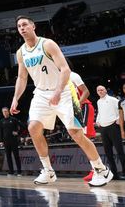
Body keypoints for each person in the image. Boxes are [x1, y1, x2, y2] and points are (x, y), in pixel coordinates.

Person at [9, 15, 112, 187]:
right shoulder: (21, 52)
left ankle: (102, 169)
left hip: (65, 91)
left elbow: (65, 69)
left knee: (76, 133)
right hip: (41, 94)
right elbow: (21, 77)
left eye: (25, 24)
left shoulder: (47, 44)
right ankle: (48, 171)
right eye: (19, 26)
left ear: (33, 26)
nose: (22, 28)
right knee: (33, 127)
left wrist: (57, 91)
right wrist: (15, 98)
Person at [95, 85, 125, 180]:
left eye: (102, 89)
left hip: (113, 127)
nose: (100, 91)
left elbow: (121, 110)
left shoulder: (113, 100)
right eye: (98, 90)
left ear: (106, 90)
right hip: (103, 128)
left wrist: (119, 119)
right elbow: (99, 112)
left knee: (120, 151)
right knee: (108, 153)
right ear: (97, 92)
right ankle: (114, 174)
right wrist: (98, 120)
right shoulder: (98, 101)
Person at [0, 106, 22, 176]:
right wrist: (1, 141)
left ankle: (19, 171)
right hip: (6, 142)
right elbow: (0, 131)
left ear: (8, 111)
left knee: (16, 156)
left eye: (6, 111)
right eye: (3, 112)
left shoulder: (13, 119)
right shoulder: (1, 121)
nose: (4, 113)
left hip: (14, 141)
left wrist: (18, 132)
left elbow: (22, 126)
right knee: (8, 157)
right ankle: (11, 171)